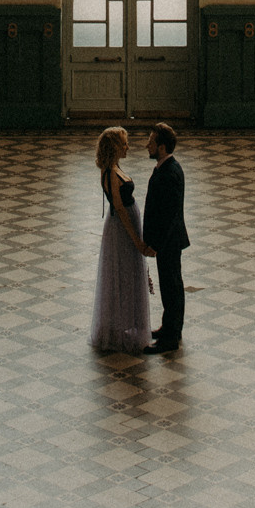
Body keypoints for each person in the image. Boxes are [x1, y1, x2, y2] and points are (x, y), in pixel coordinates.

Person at [89, 125, 154, 354]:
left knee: (130, 273)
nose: (128, 147)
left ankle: (130, 323)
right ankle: (121, 327)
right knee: (122, 274)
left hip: (127, 223)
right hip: (121, 230)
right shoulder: (110, 173)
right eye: (124, 143)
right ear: (115, 147)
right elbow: (119, 207)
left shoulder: (116, 167)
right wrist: (136, 240)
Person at [142, 123, 189, 353]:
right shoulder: (166, 167)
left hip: (168, 241)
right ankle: (169, 327)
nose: (146, 145)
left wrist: (156, 245)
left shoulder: (169, 173)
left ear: (161, 147)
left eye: (150, 142)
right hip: (168, 241)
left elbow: (168, 216)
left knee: (172, 288)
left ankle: (170, 337)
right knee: (171, 287)